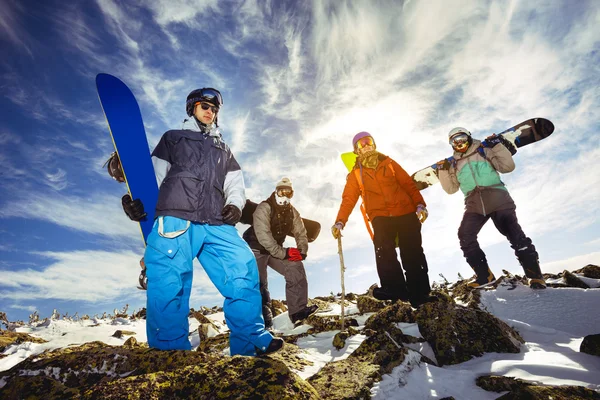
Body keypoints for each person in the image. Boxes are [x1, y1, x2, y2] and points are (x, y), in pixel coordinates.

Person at [121, 87, 283, 355]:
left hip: (215, 221)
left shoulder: (224, 150)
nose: (210, 112)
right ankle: (170, 352)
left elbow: (235, 184)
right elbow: (152, 175)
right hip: (176, 217)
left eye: (214, 109)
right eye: (204, 107)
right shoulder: (173, 139)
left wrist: (233, 205)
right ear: (192, 109)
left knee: (242, 268)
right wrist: (136, 200)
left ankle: (250, 341)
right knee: (170, 281)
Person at [331, 132, 433, 308]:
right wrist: (340, 221)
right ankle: (395, 290)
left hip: (406, 212)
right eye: (361, 144)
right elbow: (348, 199)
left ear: (374, 144)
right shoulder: (355, 174)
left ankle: (420, 294)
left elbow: (408, 184)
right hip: (380, 217)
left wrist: (420, 204)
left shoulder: (389, 163)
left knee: (412, 253)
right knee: (384, 251)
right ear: (356, 150)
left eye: (368, 141)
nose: (366, 145)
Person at [437, 127, 546, 289]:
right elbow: (451, 189)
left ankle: (535, 277)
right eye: (454, 141)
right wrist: (443, 171)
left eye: (461, 138)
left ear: (468, 137)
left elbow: (507, 167)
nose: (459, 143)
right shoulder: (454, 163)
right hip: (474, 203)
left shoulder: (484, 150)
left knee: (514, 234)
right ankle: (485, 276)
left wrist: (496, 145)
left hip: (498, 197)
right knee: (465, 235)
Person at [242, 178, 318, 328]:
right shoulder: (264, 208)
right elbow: (264, 237)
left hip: (274, 250)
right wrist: (284, 253)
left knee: (295, 266)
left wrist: (302, 251)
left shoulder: (292, 211)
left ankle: (298, 311)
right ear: (276, 191)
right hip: (256, 248)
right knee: (259, 283)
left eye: (288, 193)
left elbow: (300, 232)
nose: (284, 195)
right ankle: (263, 320)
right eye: (281, 191)